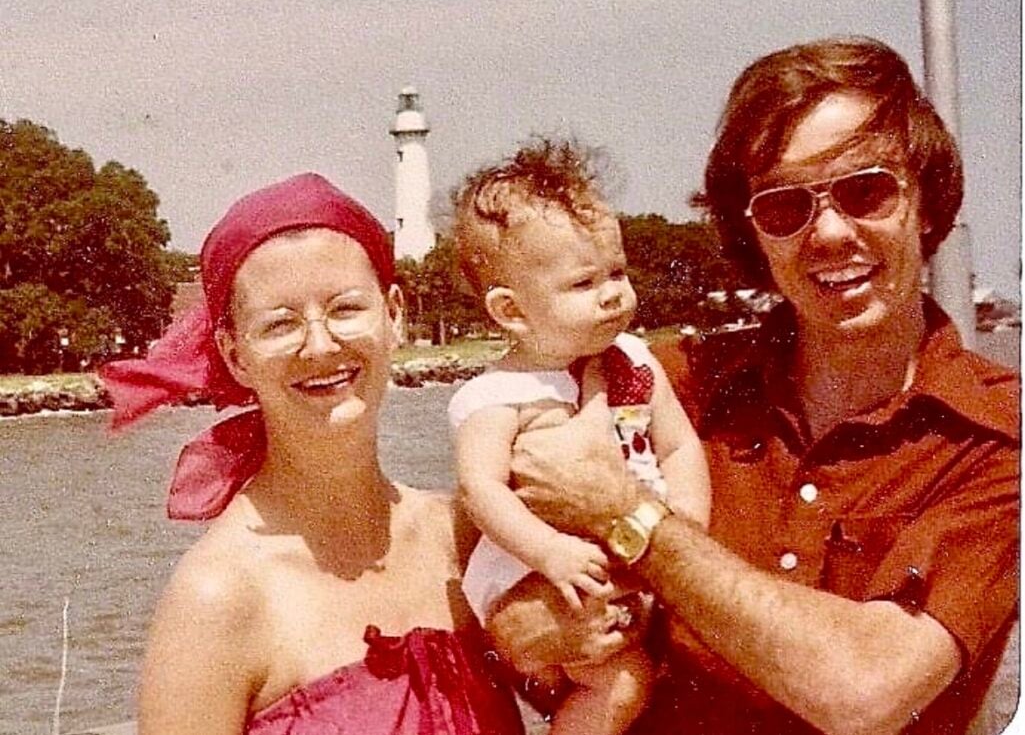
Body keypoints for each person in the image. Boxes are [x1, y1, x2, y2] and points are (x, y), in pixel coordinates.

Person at [500, 36, 1020, 734]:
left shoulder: (998, 438)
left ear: (924, 203)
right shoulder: (664, 386)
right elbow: (494, 569)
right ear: (752, 233)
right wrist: (526, 622)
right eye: (785, 207)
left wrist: (628, 517)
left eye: (865, 190)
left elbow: (867, 692)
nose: (830, 233)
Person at [101, 173, 525, 735]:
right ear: (235, 355)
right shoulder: (218, 598)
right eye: (281, 323)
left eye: (346, 309)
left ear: (393, 314)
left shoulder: (468, 538)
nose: (321, 345)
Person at [448, 140, 712, 734]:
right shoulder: (495, 396)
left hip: (633, 551)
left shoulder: (637, 362)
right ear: (511, 311)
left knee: (659, 666)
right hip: (534, 567)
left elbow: (678, 446)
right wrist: (549, 552)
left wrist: (689, 525)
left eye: (617, 271)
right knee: (622, 681)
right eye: (584, 282)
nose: (613, 292)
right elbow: (480, 491)